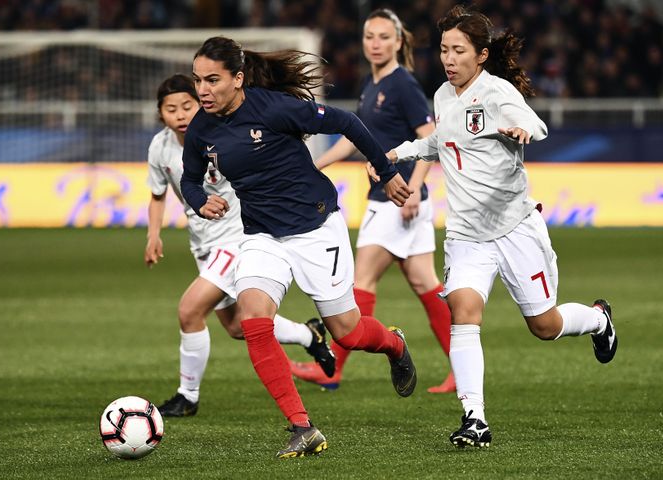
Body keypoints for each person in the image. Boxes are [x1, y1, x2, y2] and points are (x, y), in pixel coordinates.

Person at [387, 6, 618, 449]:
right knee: (463, 311)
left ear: (481, 55)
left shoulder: (497, 93)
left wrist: (522, 130)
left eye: (459, 51)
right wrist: (404, 151)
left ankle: (597, 319)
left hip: (515, 227)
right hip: (468, 235)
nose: (449, 59)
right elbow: (441, 141)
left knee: (545, 326)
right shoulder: (441, 96)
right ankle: (474, 419)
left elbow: (535, 122)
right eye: (443, 50)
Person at [180, 36, 417, 458]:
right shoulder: (201, 127)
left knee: (349, 333)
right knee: (254, 320)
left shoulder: (273, 108)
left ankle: (395, 344)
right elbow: (190, 179)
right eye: (197, 80)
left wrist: (385, 169)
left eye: (212, 80)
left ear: (237, 79)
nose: (202, 90)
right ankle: (302, 426)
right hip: (261, 236)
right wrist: (199, 200)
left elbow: (347, 122)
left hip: (315, 229)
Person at [145, 74, 336, 418]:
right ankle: (310, 336)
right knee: (238, 328)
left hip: (237, 237)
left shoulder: (217, 132)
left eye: (187, 105)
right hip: (203, 245)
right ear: (161, 114)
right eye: (171, 109)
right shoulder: (159, 148)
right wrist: (153, 234)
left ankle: (187, 396)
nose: (181, 114)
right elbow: (157, 195)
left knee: (189, 310)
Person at [289, 8, 455, 394]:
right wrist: (318, 164)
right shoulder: (373, 82)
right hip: (399, 198)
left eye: (383, 37)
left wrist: (413, 187)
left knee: (359, 281)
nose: (375, 43)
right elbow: (355, 138)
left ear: (399, 41)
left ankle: (332, 371)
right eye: (369, 37)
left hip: (396, 197)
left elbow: (432, 139)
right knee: (424, 282)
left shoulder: (402, 85)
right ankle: (461, 368)